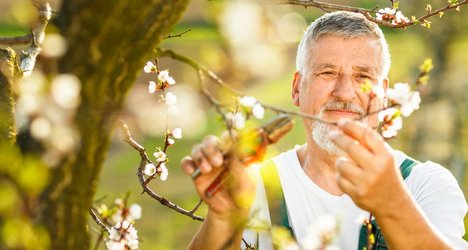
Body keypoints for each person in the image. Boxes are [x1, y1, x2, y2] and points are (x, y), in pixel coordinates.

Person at [180, 11, 467, 250]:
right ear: (296, 88)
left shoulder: (426, 185)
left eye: (362, 76)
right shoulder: (253, 188)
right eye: (327, 72)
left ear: (384, 94)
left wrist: (392, 203)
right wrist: (222, 220)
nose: (344, 92)